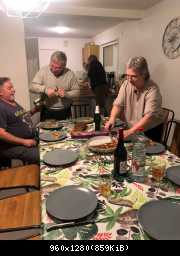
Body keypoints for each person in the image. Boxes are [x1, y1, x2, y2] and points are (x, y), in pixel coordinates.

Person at [105, 56, 164, 142]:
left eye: (133, 76)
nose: (129, 80)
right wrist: (112, 118)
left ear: (144, 75)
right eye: (127, 75)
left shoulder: (152, 89)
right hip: (133, 129)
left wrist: (130, 132)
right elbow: (118, 105)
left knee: (142, 154)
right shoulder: (126, 84)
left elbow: (149, 117)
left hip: (149, 131)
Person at [30, 51, 80, 121]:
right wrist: (45, 89)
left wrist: (66, 94)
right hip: (46, 111)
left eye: (57, 68)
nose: (53, 69)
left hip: (65, 112)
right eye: (52, 65)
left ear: (64, 66)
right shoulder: (43, 71)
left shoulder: (70, 74)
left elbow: (77, 92)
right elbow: (32, 87)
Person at [0, 77, 39, 164]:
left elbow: (23, 117)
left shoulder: (12, 101)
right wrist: (24, 141)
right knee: (42, 155)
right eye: (9, 88)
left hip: (29, 138)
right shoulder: (1, 107)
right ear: (0, 92)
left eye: (13, 87)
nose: (13, 90)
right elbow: (1, 133)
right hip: (13, 146)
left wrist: (34, 110)